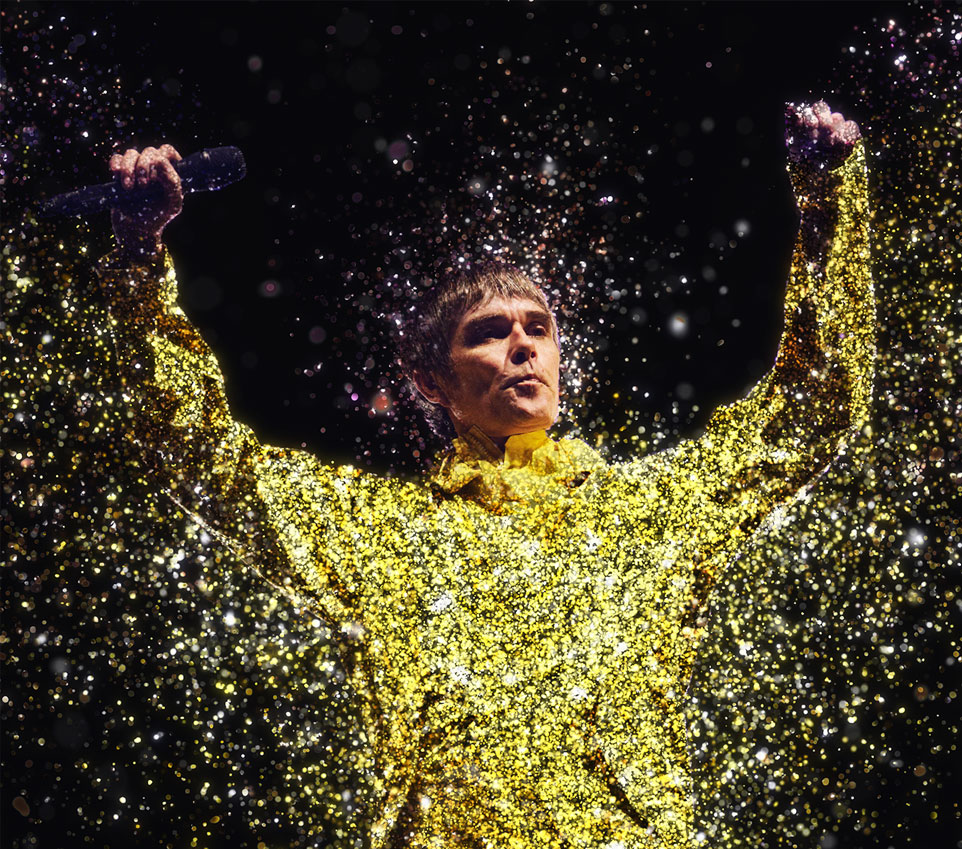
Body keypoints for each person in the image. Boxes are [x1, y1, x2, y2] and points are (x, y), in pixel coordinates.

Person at [96, 100, 873, 848]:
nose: (523, 347)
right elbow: (194, 454)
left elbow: (812, 413)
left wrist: (827, 202)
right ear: (430, 380)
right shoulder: (377, 528)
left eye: (538, 328)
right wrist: (137, 254)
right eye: (489, 333)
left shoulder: (653, 509)